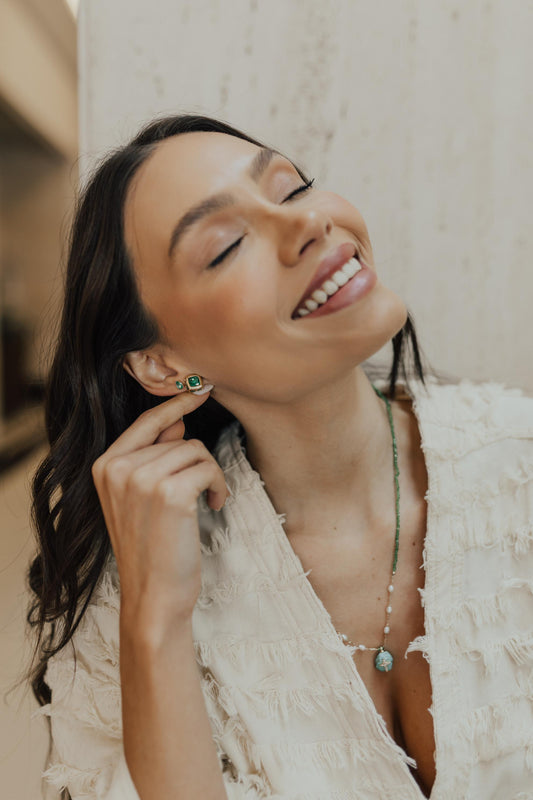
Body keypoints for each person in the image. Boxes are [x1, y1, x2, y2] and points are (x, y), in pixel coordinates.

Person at [26, 114, 533, 800]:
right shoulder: (126, 601)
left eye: (293, 189)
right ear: (162, 364)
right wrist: (157, 622)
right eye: (227, 245)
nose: (309, 223)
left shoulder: (520, 462)